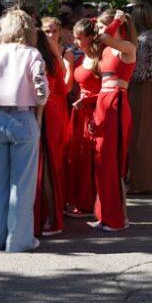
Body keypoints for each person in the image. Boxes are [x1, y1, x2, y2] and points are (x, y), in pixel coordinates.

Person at [0, 9, 48, 252]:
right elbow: (41, 91)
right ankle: (18, 240)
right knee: (22, 184)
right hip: (23, 117)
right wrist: (40, 103)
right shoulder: (32, 53)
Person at [88, 12, 137, 231]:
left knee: (113, 161)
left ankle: (116, 219)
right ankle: (107, 214)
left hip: (116, 104)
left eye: (101, 26)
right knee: (102, 161)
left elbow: (107, 37)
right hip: (103, 103)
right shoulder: (106, 50)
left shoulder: (127, 47)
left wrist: (117, 20)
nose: (99, 31)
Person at [35, 16, 76, 236]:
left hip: (52, 108)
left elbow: (66, 86)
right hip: (53, 106)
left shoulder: (54, 54)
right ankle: (52, 211)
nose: (51, 35)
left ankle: (53, 212)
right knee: (50, 162)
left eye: (54, 31)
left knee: (52, 162)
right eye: (47, 31)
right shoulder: (48, 55)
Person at [126, 2, 152, 194]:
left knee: (139, 136)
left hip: (141, 88)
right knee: (151, 135)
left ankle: (140, 182)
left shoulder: (142, 40)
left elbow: (139, 73)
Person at [66, 19, 102, 216]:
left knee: (90, 156)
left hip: (93, 111)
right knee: (78, 154)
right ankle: (79, 199)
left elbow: (108, 91)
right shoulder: (80, 59)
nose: (76, 42)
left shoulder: (100, 61)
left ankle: (89, 203)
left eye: (80, 38)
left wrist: (87, 101)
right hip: (79, 111)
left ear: (90, 38)